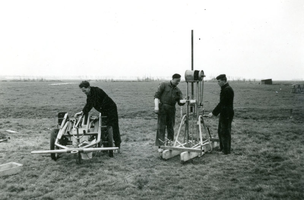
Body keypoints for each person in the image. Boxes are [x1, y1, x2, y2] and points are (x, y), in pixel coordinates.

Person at [75, 81, 121, 157]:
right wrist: (82, 112)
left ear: (88, 87)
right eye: (82, 91)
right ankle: (106, 148)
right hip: (104, 111)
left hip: (111, 109)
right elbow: (88, 104)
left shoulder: (97, 91)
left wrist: (85, 111)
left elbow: (92, 103)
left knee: (113, 127)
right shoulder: (89, 94)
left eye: (84, 90)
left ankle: (117, 146)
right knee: (102, 128)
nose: (84, 92)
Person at [154, 73, 186, 152]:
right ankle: (160, 145)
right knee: (161, 127)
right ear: (173, 79)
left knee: (170, 127)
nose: (178, 82)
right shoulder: (163, 85)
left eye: (179, 81)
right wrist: (156, 107)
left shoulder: (177, 91)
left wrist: (183, 101)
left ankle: (170, 143)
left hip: (171, 109)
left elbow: (180, 102)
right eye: (177, 80)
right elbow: (156, 96)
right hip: (162, 108)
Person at [208, 74, 234, 155]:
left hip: (227, 113)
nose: (218, 83)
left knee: (225, 132)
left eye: (219, 81)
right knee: (221, 131)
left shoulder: (227, 90)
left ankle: (226, 151)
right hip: (224, 112)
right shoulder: (225, 88)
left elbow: (222, 103)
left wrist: (213, 113)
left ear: (223, 80)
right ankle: (222, 148)